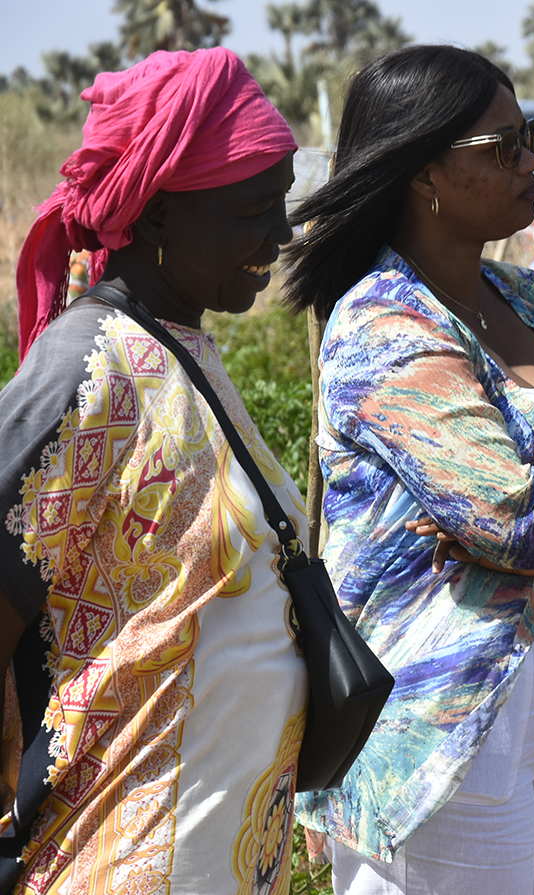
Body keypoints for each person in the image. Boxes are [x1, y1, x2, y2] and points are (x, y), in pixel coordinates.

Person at [284, 46, 534, 894]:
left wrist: (525, 535)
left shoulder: (530, 298)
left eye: (526, 136)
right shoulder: (382, 326)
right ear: (425, 171)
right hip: (441, 715)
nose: (532, 161)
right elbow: (514, 515)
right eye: (504, 147)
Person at [0, 47, 305, 892]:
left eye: (282, 202)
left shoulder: (184, 347)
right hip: (120, 855)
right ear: (162, 214)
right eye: (254, 208)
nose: (279, 234)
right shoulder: (88, 367)